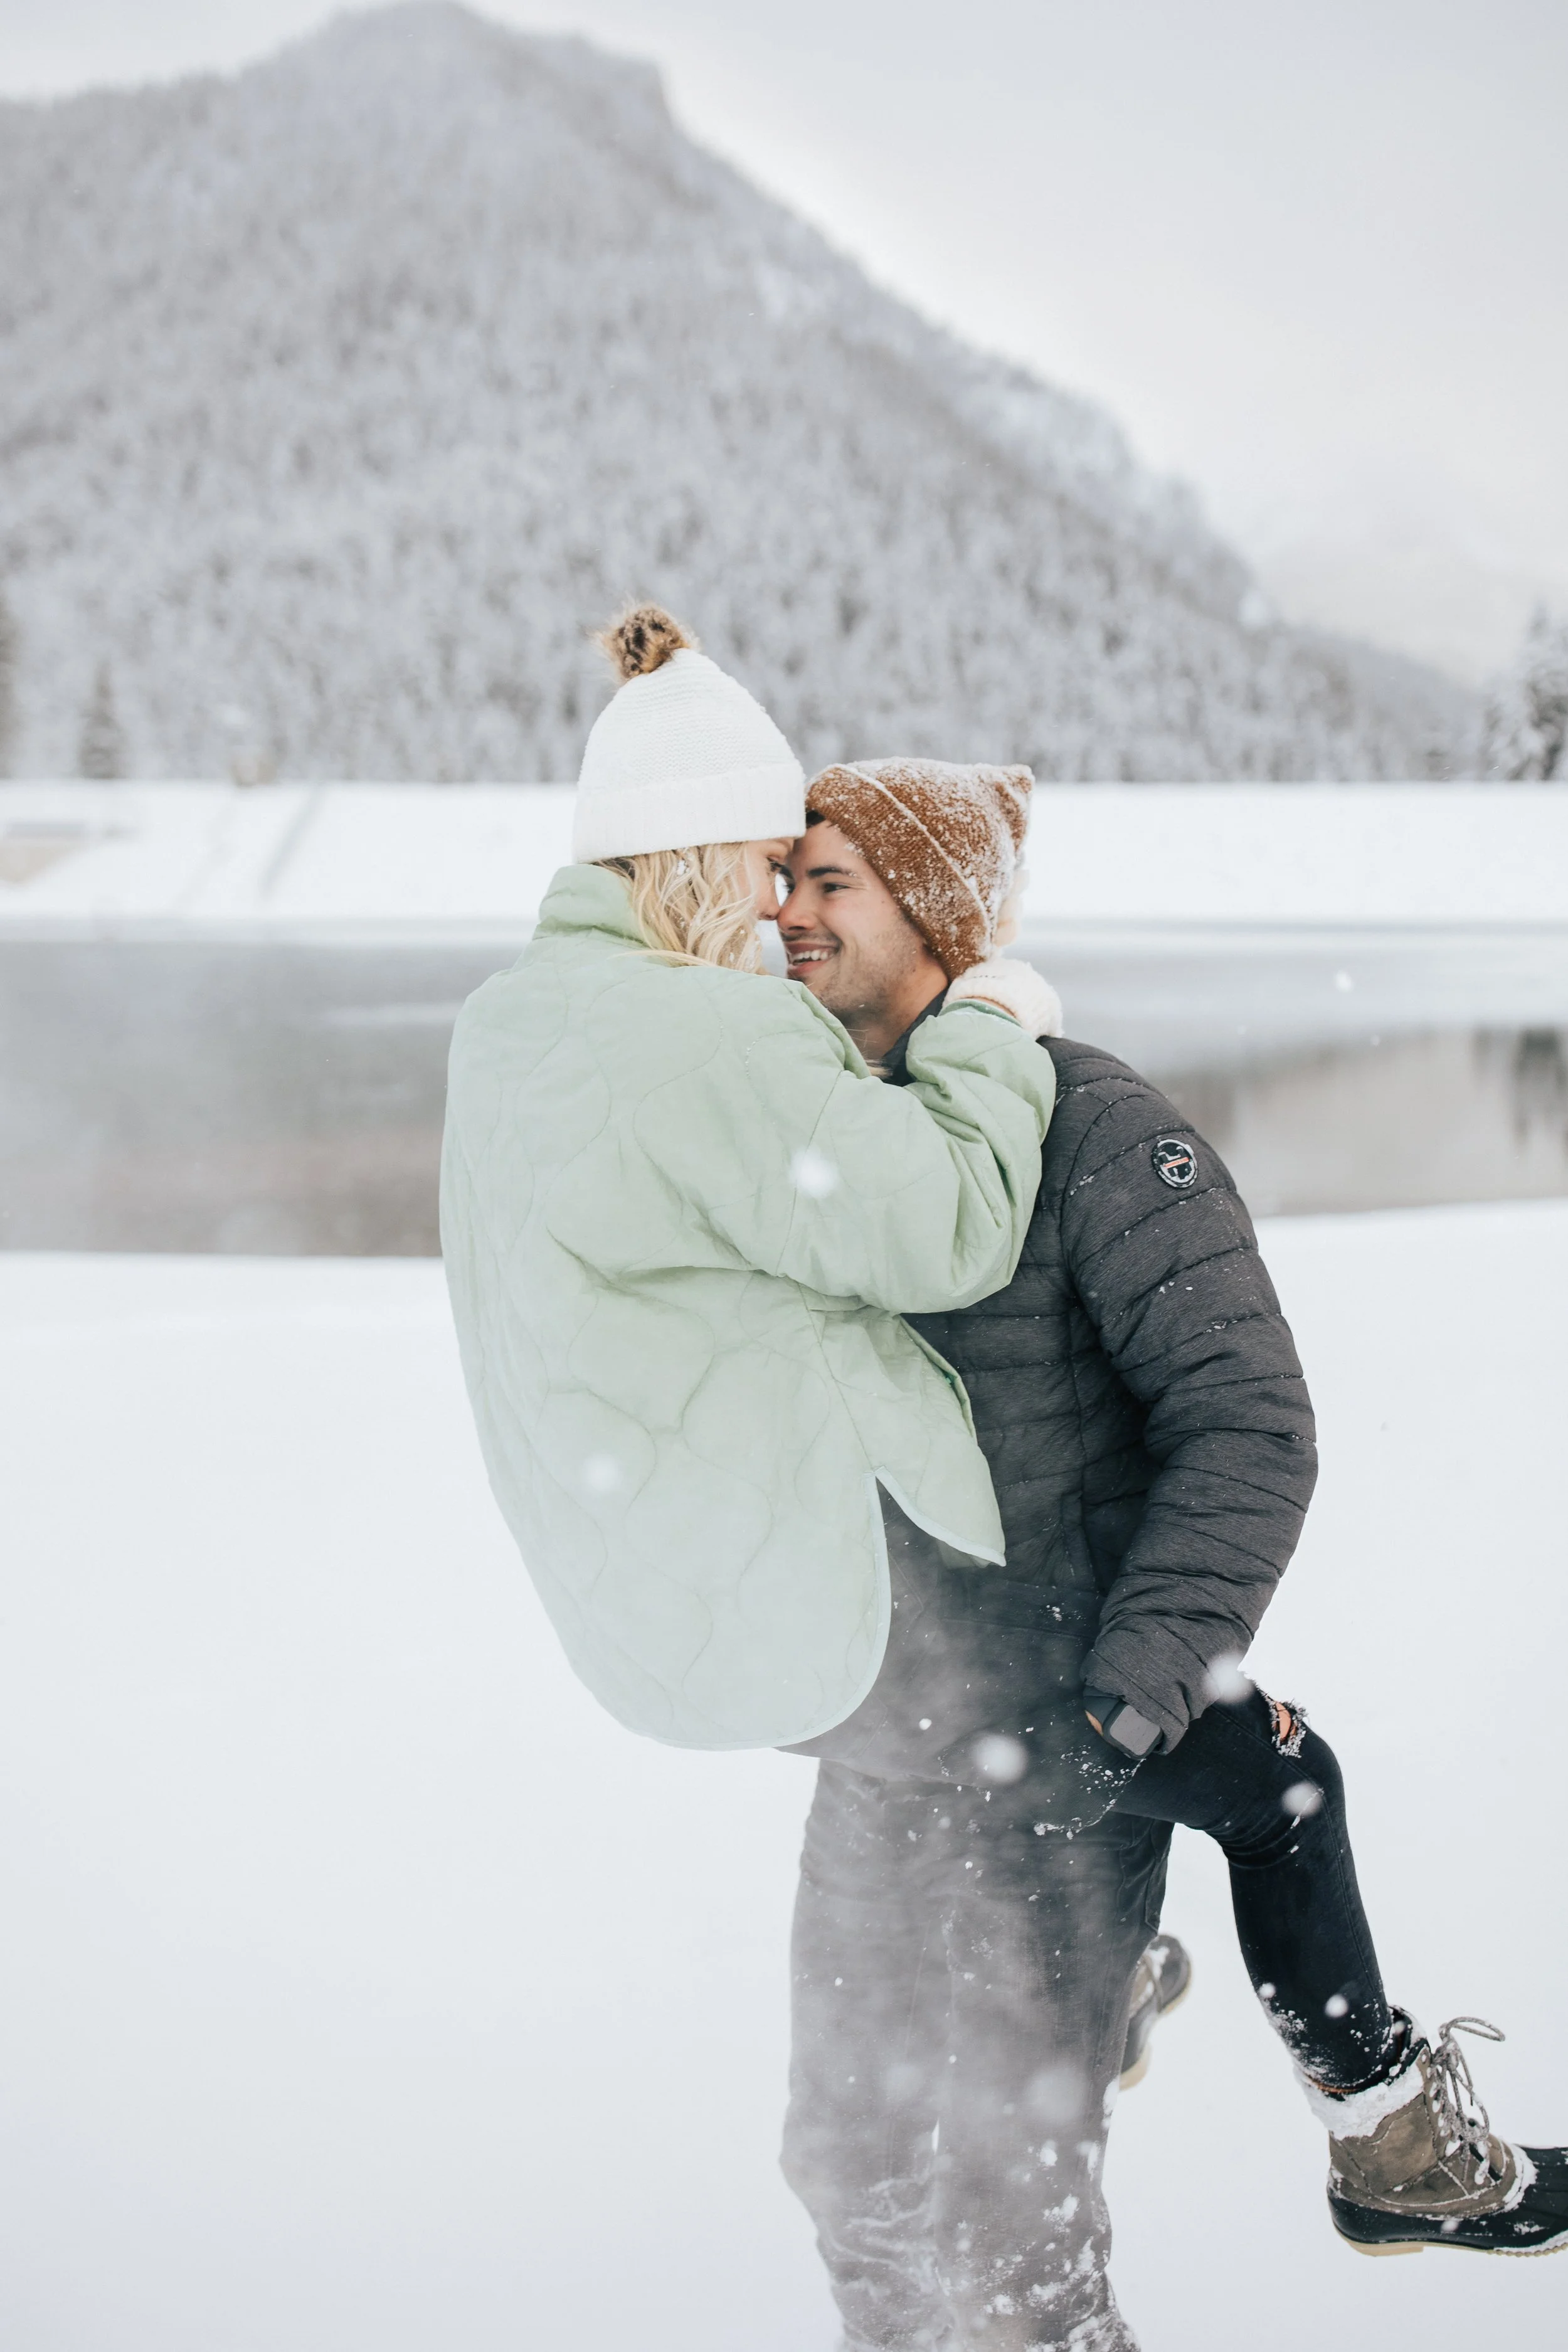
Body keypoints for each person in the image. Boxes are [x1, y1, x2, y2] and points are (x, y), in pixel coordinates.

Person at [775, 759, 1568, 2352]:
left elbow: (1249, 1428)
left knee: (1013, 2233)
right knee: (847, 2172)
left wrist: (1116, 1713)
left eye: (827, 884)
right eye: (780, 880)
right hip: (875, 1743)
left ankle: (1345, 2114)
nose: (784, 913)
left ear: (932, 915)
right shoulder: (812, 1133)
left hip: (1058, 1743)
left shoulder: (1098, 1134)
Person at [440, 606, 1061, 1767]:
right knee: (1248, 1774)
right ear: (706, 850)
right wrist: (987, 1021)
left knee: (914, 1851)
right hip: (821, 1607)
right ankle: (1096, 1952)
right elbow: (954, 1229)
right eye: (774, 867)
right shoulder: (712, 1030)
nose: (783, 911)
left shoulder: (501, 1027)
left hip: (638, 1603)